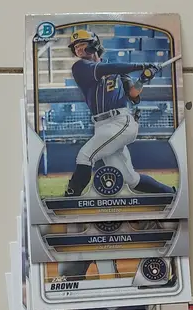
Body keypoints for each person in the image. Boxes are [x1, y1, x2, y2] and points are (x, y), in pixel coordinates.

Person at [62, 30, 175, 198]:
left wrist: (143, 79)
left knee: (85, 156)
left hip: (120, 121)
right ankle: (170, 194)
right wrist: (142, 66)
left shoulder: (117, 70)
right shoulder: (80, 67)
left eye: (82, 45)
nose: (78, 49)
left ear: (94, 45)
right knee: (131, 179)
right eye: (76, 47)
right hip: (101, 126)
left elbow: (133, 94)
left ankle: (71, 196)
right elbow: (106, 68)